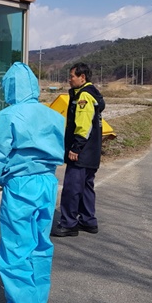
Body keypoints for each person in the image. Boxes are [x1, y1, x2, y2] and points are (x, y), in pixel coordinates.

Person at [0, 62, 65, 303]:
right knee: (40, 242)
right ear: (34, 86)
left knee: (15, 249)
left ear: (9, 88)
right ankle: (36, 297)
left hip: (21, 185)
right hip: (48, 182)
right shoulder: (53, 116)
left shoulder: (7, 116)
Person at [51, 62, 105, 237]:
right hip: (92, 152)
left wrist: (76, 147)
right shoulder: (92, 94)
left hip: (81, 152)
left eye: (72, 76)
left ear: (83, 77)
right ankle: (88, 220)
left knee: (72, 188)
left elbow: (83, 126)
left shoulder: (83, 96)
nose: (69, 79)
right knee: (87, 186)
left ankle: (69, 223)